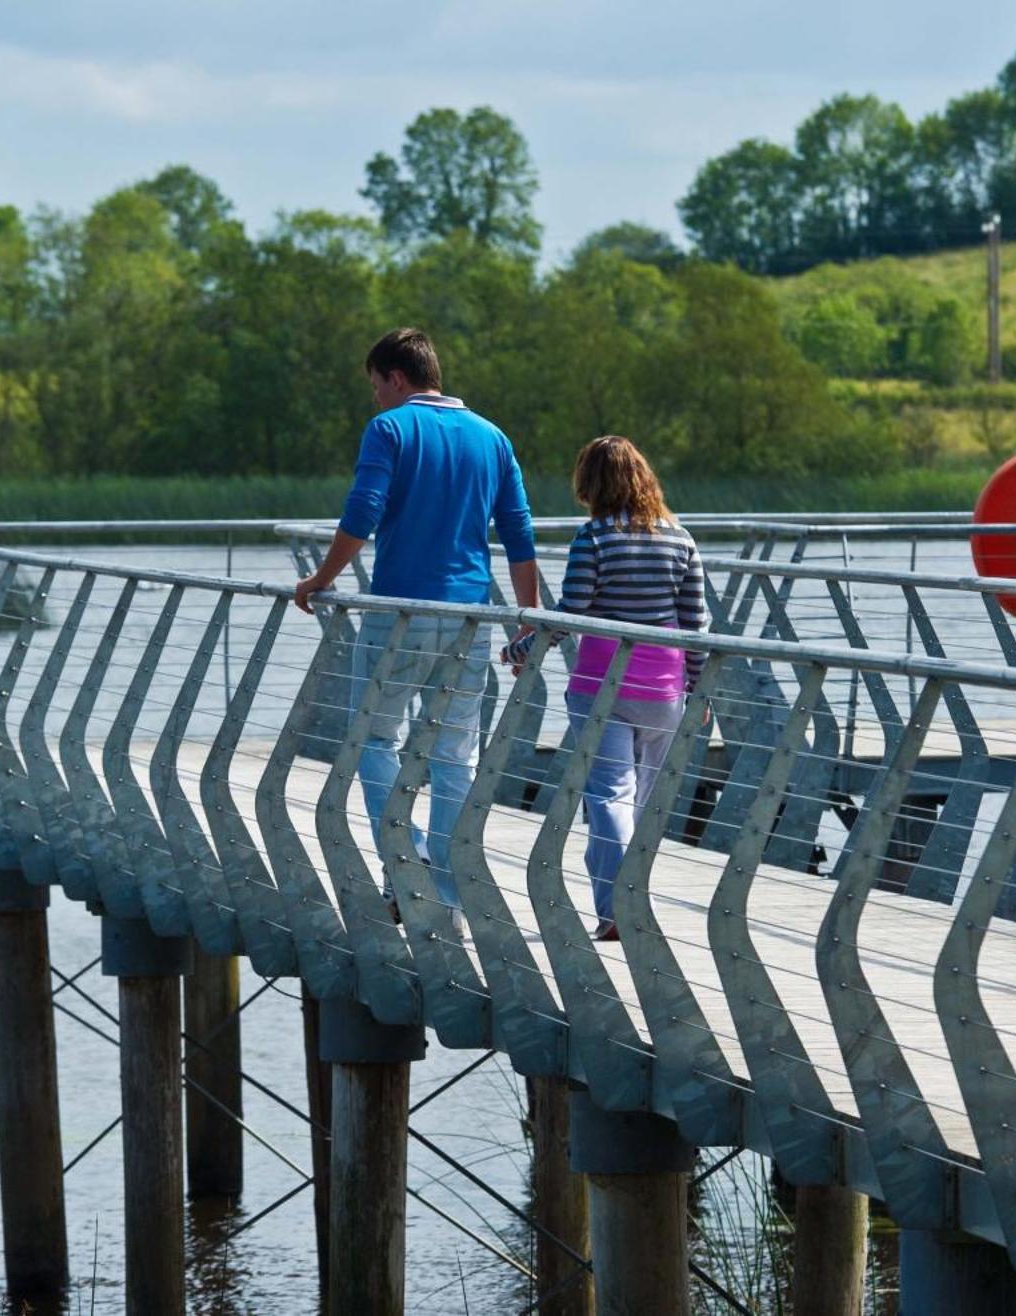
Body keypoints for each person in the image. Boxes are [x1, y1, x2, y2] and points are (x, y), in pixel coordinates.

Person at [294, 328, 538, 919]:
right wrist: (525, 624)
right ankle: (450, 888)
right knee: (456, 753)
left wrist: (320, 579)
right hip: (470, 620)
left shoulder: (390, 429)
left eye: (376, 386)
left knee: (375, 738)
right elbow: (518, 533)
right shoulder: (492, 436)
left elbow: (363, 511)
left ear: (396, 378)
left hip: (397, 614)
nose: (375, 398)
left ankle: (406, 863)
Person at [500, 436, 707, 941]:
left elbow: (571, 612)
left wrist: (519, 651)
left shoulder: (593, 538)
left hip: (602, 686)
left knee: (610, 798)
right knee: (645, 803)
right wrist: (699, 691)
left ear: (590, 483)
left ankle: (616, 911)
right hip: (665, 690)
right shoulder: (680, 538)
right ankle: (635, 902)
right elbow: (697, 623)